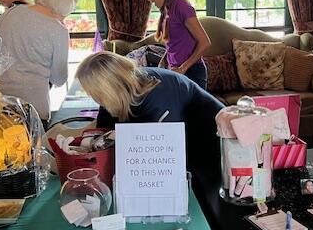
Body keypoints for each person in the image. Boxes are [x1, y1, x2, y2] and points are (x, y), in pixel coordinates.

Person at [75, 52, 224, 161]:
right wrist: (91, 143)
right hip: (183, 137)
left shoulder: (157, 96)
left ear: (108, 90)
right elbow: (104, 128)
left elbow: (155, 149)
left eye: (94, 93)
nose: (92, 97)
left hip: (211, 140)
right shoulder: (120, 89)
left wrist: (102, 142)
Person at [0, 0, 77, 128]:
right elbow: (59, 78)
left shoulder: (11, 13)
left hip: (0, 103)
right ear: (65, 6)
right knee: (32, 143)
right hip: (33, 107)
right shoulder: (58, 30)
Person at [137, 0, 211, 89]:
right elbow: (175, 43)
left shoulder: (181, 6)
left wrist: (182, 68)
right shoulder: (166, 8)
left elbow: (205, 42)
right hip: (175, 72)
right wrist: (164, 61)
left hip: (192, 73)